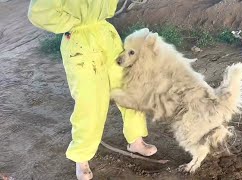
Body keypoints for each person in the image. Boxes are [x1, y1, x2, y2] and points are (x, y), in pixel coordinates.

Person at [27, 1, 157, 179]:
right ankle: (81, 158)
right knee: (91, 102)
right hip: (79, 42)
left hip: (106, 34)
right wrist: (71, 24)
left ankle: (135, 140)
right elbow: (38, 12)